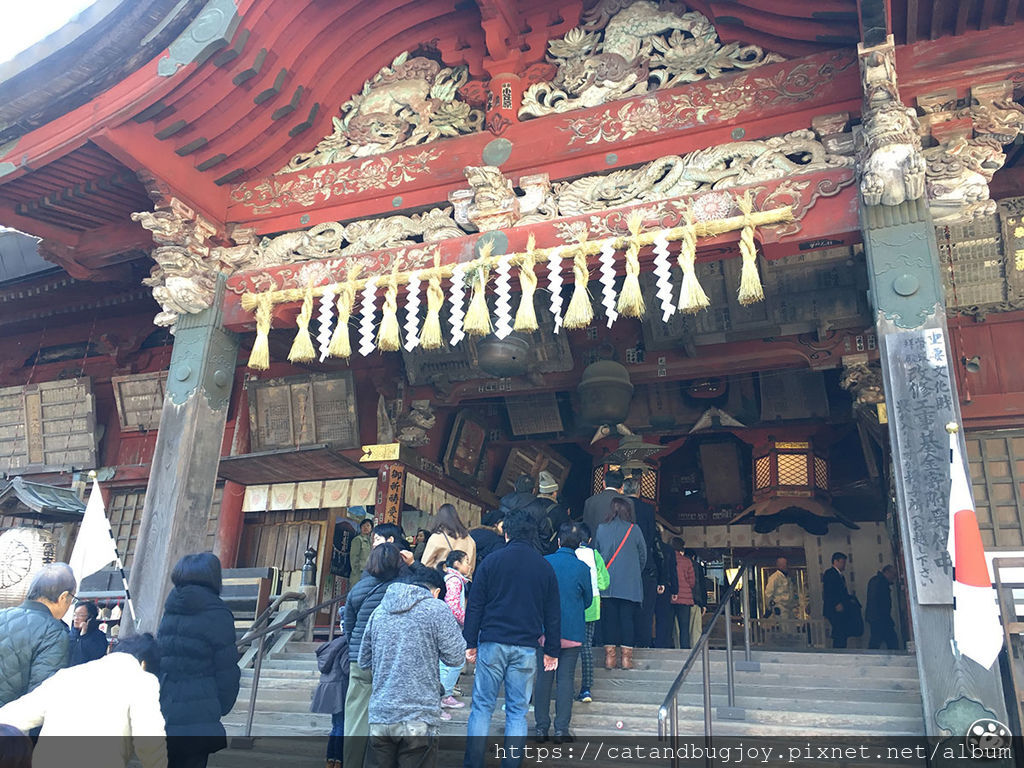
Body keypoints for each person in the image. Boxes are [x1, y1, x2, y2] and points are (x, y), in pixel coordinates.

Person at [463, 508, 561, 768]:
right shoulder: (544, 567)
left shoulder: (492, 561)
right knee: (517, 711)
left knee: (482, 706)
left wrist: (470, 642)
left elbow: (475, 605)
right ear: (531, 536)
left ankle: (473, 763)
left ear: (506, 533)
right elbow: (553, 613)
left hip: (492, 642)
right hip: (526, 647)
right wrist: (552, 649)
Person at [0, 633, 165, 768]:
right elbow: (149, 740)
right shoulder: (142, 681)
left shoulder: (67, 675)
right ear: (144, 663)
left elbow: (17, 714)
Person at [359, 565, 466, 768]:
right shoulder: (436, 609)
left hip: (382, 713)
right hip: (420, 715)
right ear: (435, 592)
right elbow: (455, 656)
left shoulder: (379, 611)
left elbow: (364, 660)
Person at [157, 553, 240, 768]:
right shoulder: (218, 613)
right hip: (200, 704)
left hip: (167, 701)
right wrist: (220, 705)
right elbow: (226, 669)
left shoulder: (171, 607)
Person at [344, 543, 408, 768]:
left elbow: (348, 627)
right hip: (391, 661)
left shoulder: (358, 589)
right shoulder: (403, 588)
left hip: (359, 660)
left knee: (355, 720)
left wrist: (357, 650)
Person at [533, 523, 592, 744]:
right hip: (572, 632)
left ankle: (541, 728)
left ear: (558, 542)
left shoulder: (544, 562)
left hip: (545, 631)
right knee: (566, 679)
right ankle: (561, 729)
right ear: (578, 545)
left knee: (544, 678)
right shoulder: (582, 568)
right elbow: (587, 600)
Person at [0, 563, 75, 708]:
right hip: (9, 725)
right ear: (63, 597)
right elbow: (40, 697)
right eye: (72, 599)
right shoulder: (53, 631)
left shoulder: (2, 614)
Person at [596, 497, 647, 670]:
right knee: (627, 619)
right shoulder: (635, 530)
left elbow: (598, 554)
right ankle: (626, 659)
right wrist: (633, 572)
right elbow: (643, 556)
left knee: (609, 620)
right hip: (630, 584)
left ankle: (610, 659)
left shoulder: (601, 529)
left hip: (608, 583)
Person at [573, 523, 608, 704]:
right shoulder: (595, 555)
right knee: (586, 646)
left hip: (572, 605)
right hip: (592, 604)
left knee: (569, 647)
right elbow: (604, 583)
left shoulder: (571, 554)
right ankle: (586, 688)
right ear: (589, 540)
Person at [311, 610, 349, 768]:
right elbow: (347, 668)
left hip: (329, 687)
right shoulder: (347, 645)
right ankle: (339, 759)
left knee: (335, 725)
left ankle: (330, 759)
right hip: (340, 688)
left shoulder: (333, 644)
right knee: (342, 725)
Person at [623, 477, 657, 648]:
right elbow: (650, 536)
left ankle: (624, 641)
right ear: (639, 491)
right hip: (643, 563)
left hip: (621, 561)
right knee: (644, 605)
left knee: (623, 604)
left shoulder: (618, 507)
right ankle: (643, 641)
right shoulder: (647, 509)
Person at [438, 550, 472, 715]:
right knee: (452, 662)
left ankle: (445, 694)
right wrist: (466, 621)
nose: (469, 565)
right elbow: (453, 606)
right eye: (466, 561)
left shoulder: (454, 579)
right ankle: (444, 696)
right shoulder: (454, 580)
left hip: (451, 626)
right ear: (456, 564)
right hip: (452, 627)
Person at [656, 538, 706, 649]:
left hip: (670, 597)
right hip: (685, 598)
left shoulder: (666, 558)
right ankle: (685, 651)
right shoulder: (687, 561)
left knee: (669, 626)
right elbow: (692, 581)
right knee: (684, 628)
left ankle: (668, 648)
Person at [421, 504, 477, 576]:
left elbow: (425, 565)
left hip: (441, 582)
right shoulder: (469, 540)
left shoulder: (437, 538)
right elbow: (471, 568)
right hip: (463, 583)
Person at [582, 469, 633, 545]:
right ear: (622, 486)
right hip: (619, 549)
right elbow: (632, 529)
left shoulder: (590, 501)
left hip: (596, 549)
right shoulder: (628, 502)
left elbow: (585, 529)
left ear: (604, 483)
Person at [822, 552, 856, 649]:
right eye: (842, 562)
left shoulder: (840, 575)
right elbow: (829, 591)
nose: (844, 565)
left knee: (841, 632)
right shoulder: (830, 573)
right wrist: (836, 604)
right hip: (835, 608)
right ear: (835, 562)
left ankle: (840, 649)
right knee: (840, 632)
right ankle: (838, 650)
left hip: (840, 607)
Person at [534, 471, 571, 556]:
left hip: (530, 550)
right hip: (549, 553)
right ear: (554, 493)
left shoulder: (531, 505)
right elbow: (565, 533)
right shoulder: (559, 511)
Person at [866, 565, 899, 650]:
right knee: (890, 641)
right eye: (894, 575)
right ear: (887, 572)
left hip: (878, 618)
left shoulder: (876, 581)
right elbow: (877, 602)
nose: (894, 578)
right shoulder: (880, 582)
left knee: (877, 641)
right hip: (880, 618)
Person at [68, 601, 108, 666]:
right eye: (74, 615)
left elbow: (93, 656)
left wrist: (84, 635)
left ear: (90, 618)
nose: (76, 618)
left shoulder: (98, 637)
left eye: (80, 615)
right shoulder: (71, 634)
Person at [764, 557, 798, 623]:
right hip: (780, 607)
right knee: (784, 628)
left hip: (789, 607)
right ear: (779, 565)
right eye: (785, 564)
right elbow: (768, 593)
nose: (786, 566)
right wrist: (770, 607)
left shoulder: (787, 578)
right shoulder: (774, 578)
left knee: (791, 628)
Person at [350, 519, 375, 584]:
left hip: (368, 573)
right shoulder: (358, 539)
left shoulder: (372, 542)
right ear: (360, 528)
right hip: (359, 573)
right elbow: (353, 557)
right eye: (363, 526)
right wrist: (355, 571)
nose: (365, 527)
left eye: (368, 525)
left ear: (371, 528)